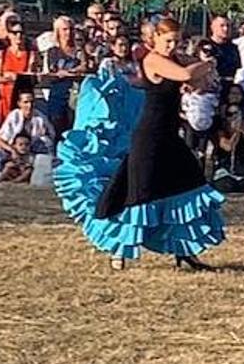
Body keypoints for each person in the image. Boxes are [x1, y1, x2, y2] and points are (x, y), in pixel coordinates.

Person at [55, 17, 226, 270]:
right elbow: (185, 75)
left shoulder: (174, 58)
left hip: (170, 136)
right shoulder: (153, 60)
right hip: (149, 137)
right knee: (138, 194)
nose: (172, 46)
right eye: (168, 41)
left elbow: (197, 83)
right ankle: (118, 250)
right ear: (154, 38)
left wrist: (201, 68)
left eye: (176, 41)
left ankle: (184, 251)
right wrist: (206, 63)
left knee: (189, 185)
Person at [42, 16, 86, 135]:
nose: (69, 32)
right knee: (56, 125)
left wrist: (67, 72)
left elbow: (84, 67)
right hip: (57, 94)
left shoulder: (79, 50)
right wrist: (73, 71)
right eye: (65, 29)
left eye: (71, 29)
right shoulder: (53, 51)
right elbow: (55, 71)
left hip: (76, 94)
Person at [0, 15, 37, 126]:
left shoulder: (30, 53)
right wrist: (15, 76)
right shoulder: (2, 53)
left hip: (21, 94)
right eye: (14, 33)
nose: (18, 36)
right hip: (4, 94)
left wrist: (13, 76)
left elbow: (30, 76)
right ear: (9, 34)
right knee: (0, 124)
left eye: (21, 33)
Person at [208, 15, 241, 86]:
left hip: (228, 87)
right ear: (213, 27)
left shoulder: (233, 48)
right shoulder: (205, 46)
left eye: (228, 26)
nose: (226, 29)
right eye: (222, 26)